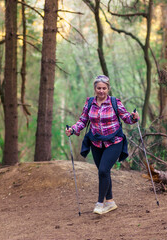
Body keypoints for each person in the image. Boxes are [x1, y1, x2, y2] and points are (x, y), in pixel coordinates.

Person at [65, 75, 139, 215]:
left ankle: (100, 204)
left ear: (108, 88)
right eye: (99, 88)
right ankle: (110, 202)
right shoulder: (90, 103)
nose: (101, 91)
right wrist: (73, 129)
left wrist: (134, 117)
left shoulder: (114, 102)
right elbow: (82, 121)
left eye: (104, 88)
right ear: (95, 89)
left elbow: (127, 118)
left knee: (103, 171)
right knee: (104, 172)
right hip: (96, 142)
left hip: (114, 141)